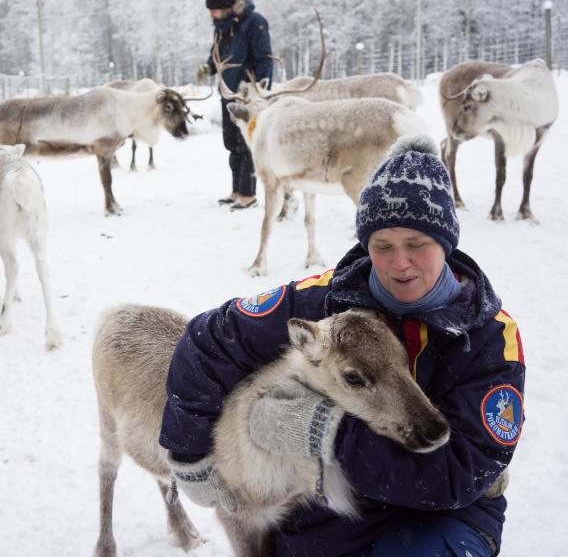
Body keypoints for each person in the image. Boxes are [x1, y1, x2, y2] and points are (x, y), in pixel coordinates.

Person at [160, 135, 525, 556]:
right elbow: (207, 341)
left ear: (445, 243)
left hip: (443, 516)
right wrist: (190, 457)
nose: (399, 263)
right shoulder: (325, 301)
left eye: (417, 245)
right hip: (331, 503)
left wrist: (326, 433)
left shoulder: (490, 336)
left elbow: (455, 477)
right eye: (382, 246)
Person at [196, 0, 273, 211]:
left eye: (216, 10)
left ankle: (248, 195)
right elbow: (217, 56)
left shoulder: (254, 22)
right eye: (210, 10)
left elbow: (265, 59)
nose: (212, 14)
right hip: (227, 93)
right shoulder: (221, 28)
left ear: (229, 7)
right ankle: (236, 191)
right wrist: (207, 68)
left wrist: (259, 91)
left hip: (247, 96)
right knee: (231, 144)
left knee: (246, 145)